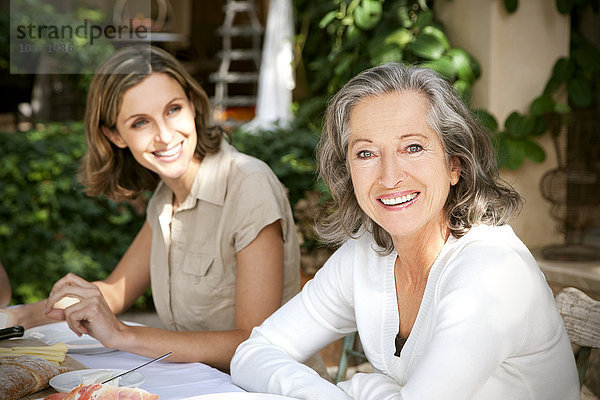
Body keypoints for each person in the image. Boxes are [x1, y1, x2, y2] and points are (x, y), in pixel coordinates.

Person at [230, 63, 580, 399]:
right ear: (347, 170)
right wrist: (329, 394)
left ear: (454, 164)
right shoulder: (366, 254)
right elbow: (252, 354)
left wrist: (363, 387)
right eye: (366, 153)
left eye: (413, 147)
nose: (389, 176)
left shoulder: (491, 271)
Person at [3, 46, 301, 370]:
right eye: (141, 122)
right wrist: (17, 316)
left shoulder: (248, 185)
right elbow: (116, 292)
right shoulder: (166, 197)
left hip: (266, 389)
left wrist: (123, 334)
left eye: (173, 109)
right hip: (201, 383)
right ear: (115, 135)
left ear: (192, 104)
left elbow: (253, 342)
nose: (165, 135)